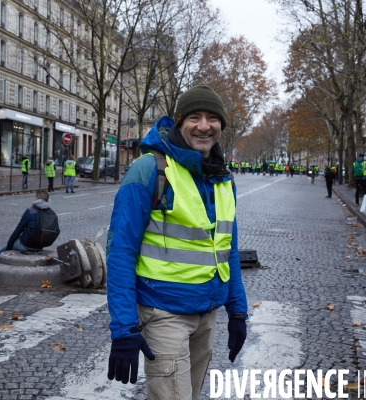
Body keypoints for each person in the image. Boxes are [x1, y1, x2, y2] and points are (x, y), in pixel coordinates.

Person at [106, 84, 248, 399]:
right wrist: (124, 329)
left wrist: (238, 311)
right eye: (194, 117)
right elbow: (120, 252)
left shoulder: (223, 179)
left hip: (206, 314)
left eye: (212, 118)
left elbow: (228, 250)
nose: (204, 125)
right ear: (179, 122)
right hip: (163, 314)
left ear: (221, 126)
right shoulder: (150, 169)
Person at [0, 190, 54, 258]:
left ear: (36, 198)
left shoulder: (30, 211)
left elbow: (18, 230)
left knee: (12, 244)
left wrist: (9, 245)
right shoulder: (51, 213)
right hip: (40, 246)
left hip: (26, 244)